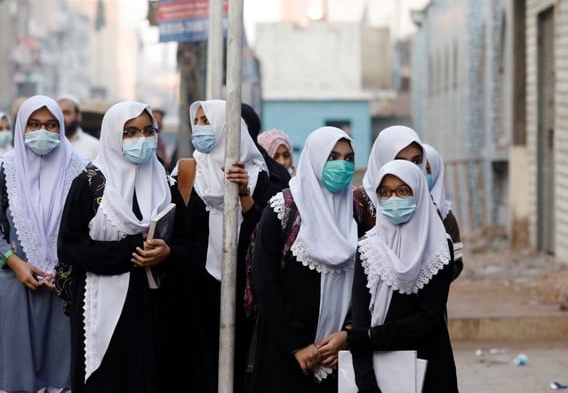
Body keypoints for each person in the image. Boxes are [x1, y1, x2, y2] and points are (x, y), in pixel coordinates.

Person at [57, 101, 186, 392]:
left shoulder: (166, 183)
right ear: (114, 135)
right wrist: (130, 251)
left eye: (147, 130)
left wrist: (167, 253)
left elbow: (186, 241)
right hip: (100, 300)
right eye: (130, 132)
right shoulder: (90, 183)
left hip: (154, 305)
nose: (141, 139)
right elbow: (69, 246)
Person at [164, 100, 272, 392]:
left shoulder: (260, 175)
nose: (201, 128)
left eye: (207, 121)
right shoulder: (186, 172)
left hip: (244, 288)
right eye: (197, 121)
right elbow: (178, 231)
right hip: (196, 287)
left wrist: (245, 196)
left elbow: (267, 234)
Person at [248, 126, 359, 392]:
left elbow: (365, 282)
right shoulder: (283, 210)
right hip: (284, 354)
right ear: (315, 159)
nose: (341, 165)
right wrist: (297, 344)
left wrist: (347, 335)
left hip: (337, 357)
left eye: (348, 158)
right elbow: (264, 282)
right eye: (332, 157)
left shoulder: (354, 212)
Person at [0, 95, 89, 393]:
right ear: (21, 128)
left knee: (62, 377)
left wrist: (67, 269)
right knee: (16, 376)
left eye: (52, 125)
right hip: (15, 286)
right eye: (34, 124)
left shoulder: (82, 170)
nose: (43, 132)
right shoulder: (5, 170)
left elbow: (92, 227)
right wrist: (14, 261)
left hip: (66, 291)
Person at [348, 160, 458, 393]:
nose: (394, 198)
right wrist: (366, 383)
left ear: (418, 193)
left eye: (403, 191)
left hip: (431, 369)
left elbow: (429, 318)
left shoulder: (438, 247)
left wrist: (370, 337)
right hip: (379, 371)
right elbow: (360, 321)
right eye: (385, 192)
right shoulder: (369, 249)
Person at [354, 125, 425, 235]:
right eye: (400, 161)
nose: (410, 168)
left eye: (417, 161)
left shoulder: (427, 203)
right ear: (382, 161)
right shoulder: (358, 204)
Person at [423, 143, 463, 280]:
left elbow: (456, 262)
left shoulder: (445, 215)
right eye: (418, 167)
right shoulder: (395, 210)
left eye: (428, 170)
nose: (422, 174)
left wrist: (431, 282)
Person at [242, 103, 291, 193]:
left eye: (286, 155)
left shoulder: (276, 175)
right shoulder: (208, 169)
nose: (282, 161)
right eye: (275, 155)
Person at [57, 94, 100, 160]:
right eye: (58, 113)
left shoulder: (94, 146)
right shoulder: (48, 145)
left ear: (78, 116)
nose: (62, 117)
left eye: (66, 113)